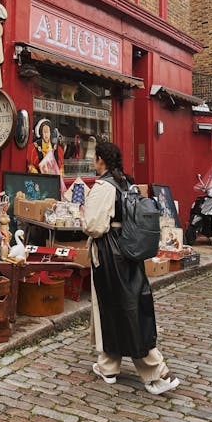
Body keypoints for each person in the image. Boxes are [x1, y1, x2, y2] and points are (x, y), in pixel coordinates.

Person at [83, 140, 179, 395]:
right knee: (120, 306)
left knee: (125, 310)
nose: (93, 163)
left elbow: (94, 225)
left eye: (94, 158)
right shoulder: (128, 183)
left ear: (101, 160)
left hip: (109, 254)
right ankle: (108, 366)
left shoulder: (103, 187)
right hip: (129, 251)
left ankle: (156, 373)